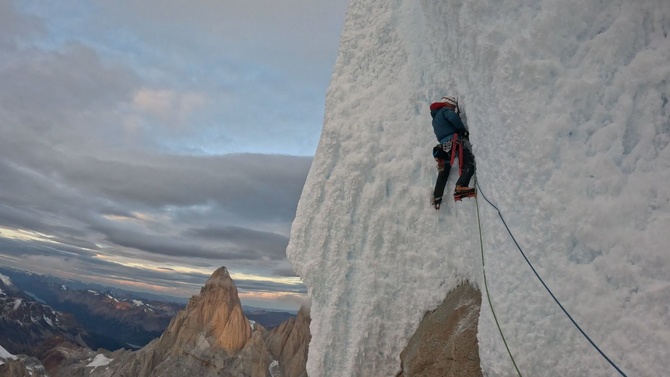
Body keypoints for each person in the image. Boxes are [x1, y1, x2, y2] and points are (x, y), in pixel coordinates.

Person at [429, 96, 476, 210]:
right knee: (469, 162)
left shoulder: (435, 120)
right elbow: (453, 118)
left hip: (444, 148)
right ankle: (461, 186)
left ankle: (437, 197)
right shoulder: (445, 110)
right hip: (454, 142)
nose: (454, 109)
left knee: (444, 172)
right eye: (453, 107)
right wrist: (463, 131)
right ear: (447, 104)